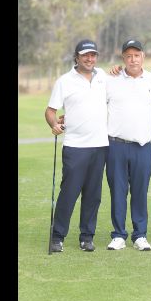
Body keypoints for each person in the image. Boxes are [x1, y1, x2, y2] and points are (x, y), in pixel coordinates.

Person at [44, 39, 109, 252]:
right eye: (85, 55)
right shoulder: (65, 81)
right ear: (77, 57)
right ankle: (57, 236)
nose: (90, 59)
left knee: (93, 194)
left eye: (93, 55)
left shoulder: (104, 77)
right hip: (74, 146)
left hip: (100, 146)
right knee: (69, 192)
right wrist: (54, 124)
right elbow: (51, 111)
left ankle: (87, 237)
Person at [104, 39, 151, 251]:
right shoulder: (111, 79)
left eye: (136, 55)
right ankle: (118, 234)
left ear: (143, 57)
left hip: (142, 146)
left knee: (140, 192)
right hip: (116, 146)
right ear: (123, 58)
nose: (133, 59)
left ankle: (140, 235)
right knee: (118, 192)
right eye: (128, 56)